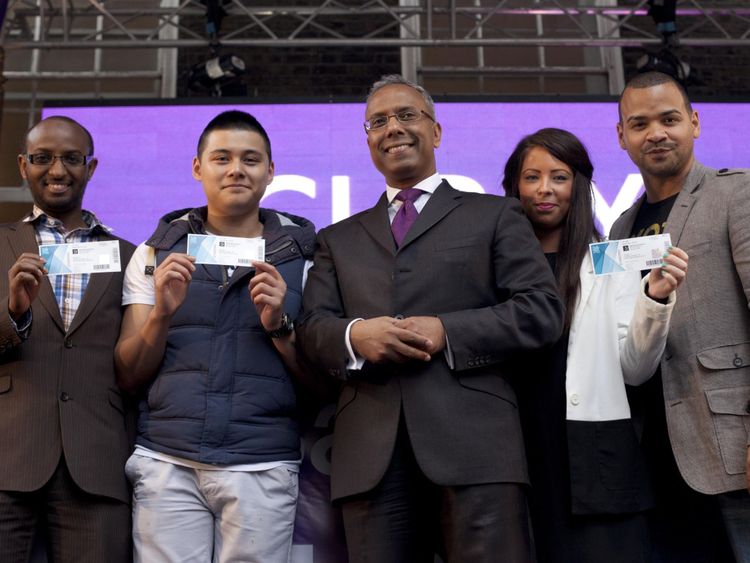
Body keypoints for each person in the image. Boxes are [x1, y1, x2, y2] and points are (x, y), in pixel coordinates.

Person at [296, 74, 564, 563]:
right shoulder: (338, 238)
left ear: (436, 131)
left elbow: (541, 311)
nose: (392, 128)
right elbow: (313, 330)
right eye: (378, 121)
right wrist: (357, 336)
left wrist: (448, 331)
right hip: (369, 460)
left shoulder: (496, 214)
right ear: (368, 140)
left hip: (478, 450)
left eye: (406, 115)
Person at [114, 110, 316, 563]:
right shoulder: (154, 251)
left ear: (271, 171)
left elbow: (323, 383)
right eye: (221, 157)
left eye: (250, 159)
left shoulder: (306, 256)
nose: (236, 170)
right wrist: (162, 314)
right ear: (197, 167)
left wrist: (280, 324)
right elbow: (127, 374)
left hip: (262, 462)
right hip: (168, 460)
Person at [503, 127, 688, 563]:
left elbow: (636, 369)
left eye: (559, 176)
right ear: (514, 187)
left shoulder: (609, 260)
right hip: (513, 454)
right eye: (531, 177)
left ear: (580, 185)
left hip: (594, 455)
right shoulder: (490, 267)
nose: (544, 189)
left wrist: (655, 298)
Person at [611, 70, 750, 562]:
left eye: (669, 119)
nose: (656, 133)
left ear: (694, 122)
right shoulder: (621, 226)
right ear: (622, 136)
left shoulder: (737, 193)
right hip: (656, 455)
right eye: (640, 123)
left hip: (734, 446)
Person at [0, 116, 135, 562]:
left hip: (95, 462)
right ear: (23, 165)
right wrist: (14, 312)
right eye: (43, 158)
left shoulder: (130, 256)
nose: (57, 170)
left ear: (91, 168)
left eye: (71, 159)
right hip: (7, 456)